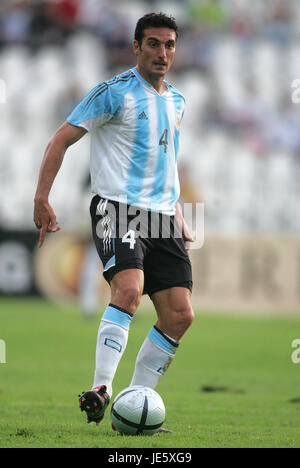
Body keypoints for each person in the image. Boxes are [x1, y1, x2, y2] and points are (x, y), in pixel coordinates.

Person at [33, 12, 194, 428]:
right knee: (129, 289)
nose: (163, 52)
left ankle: (136, 400)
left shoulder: (177, 100)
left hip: (163, 217)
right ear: (136, 46)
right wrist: (41, 196)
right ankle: (101, 388)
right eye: (154, 44)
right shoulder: (112, 92)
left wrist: (178, 213)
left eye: (170, 45)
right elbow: (60, 139)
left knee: (179, 315)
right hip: (118, 208)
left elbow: (168, 162)